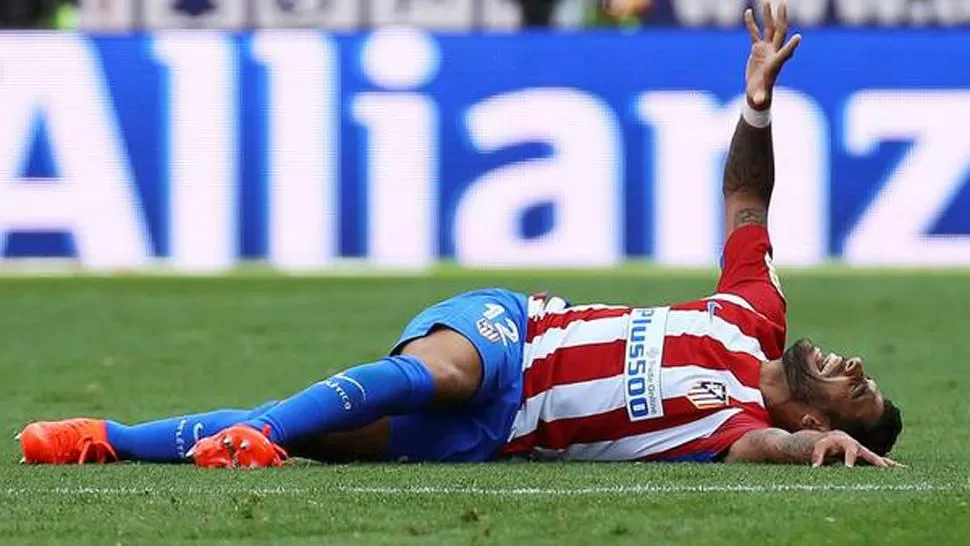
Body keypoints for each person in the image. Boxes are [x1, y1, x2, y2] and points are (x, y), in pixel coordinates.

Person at [18, 1, 902, 470]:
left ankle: (105, 436)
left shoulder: (738, 428)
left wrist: (814, 450)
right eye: (863, 380)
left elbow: (772, 449)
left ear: (821, 416)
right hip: (511, 331)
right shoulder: (753, 314)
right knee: (437, 371)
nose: (856, 368)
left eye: (858, 397)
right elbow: (748, 196)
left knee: (315, 435)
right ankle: (254, 441)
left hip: (502, 431)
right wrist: (757, 101)